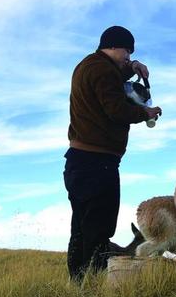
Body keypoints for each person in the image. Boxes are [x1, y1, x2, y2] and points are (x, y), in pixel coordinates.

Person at [64, 25, 162, 283]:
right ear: (116, 46)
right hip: (98, 163)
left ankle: (78, 284)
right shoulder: (102, 70)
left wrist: (132, 67)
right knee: (98, 228)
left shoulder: (89, 66)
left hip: (80, 161)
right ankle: (94, 285)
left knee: (82, 228)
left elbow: (113, 79)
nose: (128, 57)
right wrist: (146, 113)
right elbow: (116, 109)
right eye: (127, 52)